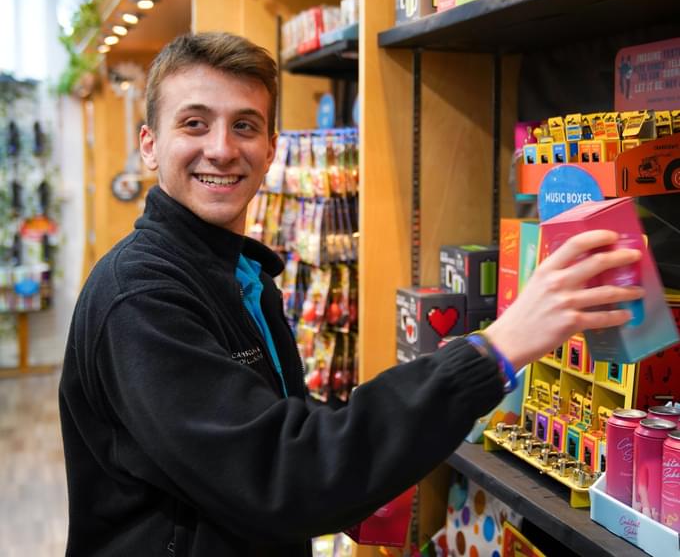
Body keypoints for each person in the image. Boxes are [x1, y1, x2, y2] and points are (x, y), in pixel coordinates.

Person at [59, 32, 644, 556]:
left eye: (244, 125)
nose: (221, 148)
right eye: (194, 123)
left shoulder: (243, 274)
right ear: (149, 145)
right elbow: (280, 473)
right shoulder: (140, 297)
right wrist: (496, 350)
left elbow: (264, 428)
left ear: (271, 148)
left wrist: (363, 489)